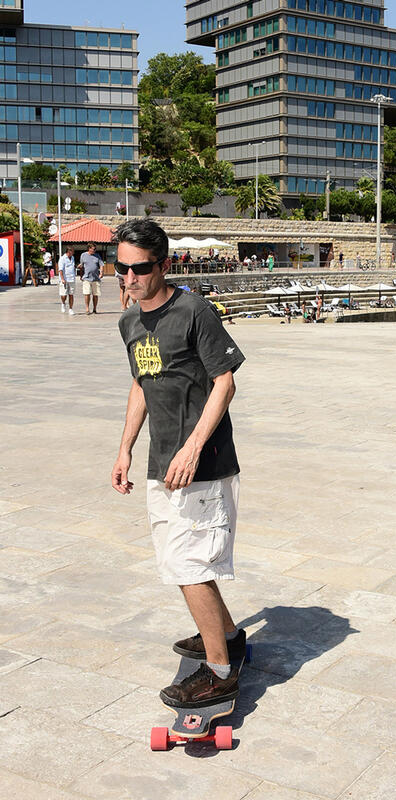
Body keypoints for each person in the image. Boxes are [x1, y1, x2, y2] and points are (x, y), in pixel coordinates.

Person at [111, 218, 247, 708]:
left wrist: (191, 447)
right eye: (121, 268)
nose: (129, 278)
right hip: (160, 462)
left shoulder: (193, 310)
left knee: (187, 565)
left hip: (203, 463)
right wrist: (126, 447)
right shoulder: (129, 322)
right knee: (178, 561)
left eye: (140, 269)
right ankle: (228, 638)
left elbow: (225, 382)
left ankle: (219, 672)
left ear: (163, 265)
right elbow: (141, 384)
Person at [80, 243, 104, 315]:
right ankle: (87, 308)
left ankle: (94, 308)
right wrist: (81, 275)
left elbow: (101, 265)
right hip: (86, 278)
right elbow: (81, 265)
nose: (94, 250)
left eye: (95, 249)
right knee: (87, 293)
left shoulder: (97, 256)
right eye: (93, 249)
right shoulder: (83, 255)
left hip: (96, 278)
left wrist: (101, 273)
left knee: (95, 294)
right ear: (89, 248)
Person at [58, 246, 77, 315]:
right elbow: (60, 269)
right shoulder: (62, 259)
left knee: (71, 294)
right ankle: (63, 303)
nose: (73, 253)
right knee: (64, 295)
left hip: (72, 279)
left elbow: (73, 267)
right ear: (69, 251)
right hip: (65, 279)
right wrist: (62, 279)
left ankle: (71, 309)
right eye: (72, 251)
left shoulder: (72, 258)